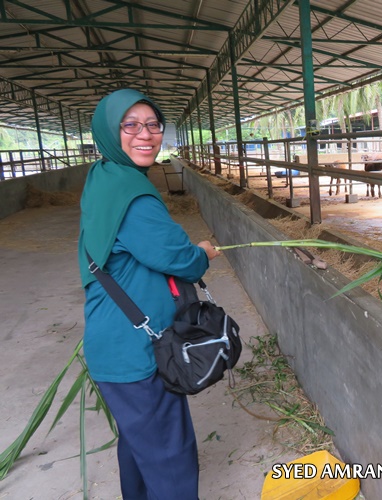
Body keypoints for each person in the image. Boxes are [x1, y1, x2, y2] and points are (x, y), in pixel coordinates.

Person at [77, 88, 220, 499]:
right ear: (109, 131)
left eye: (153, 124)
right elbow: (178, 258)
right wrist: (202, 253)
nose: (145, 134)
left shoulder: (106, 176)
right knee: (170, 459)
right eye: (131, 125)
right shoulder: (133, 194)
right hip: (137, 350)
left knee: (141, 448)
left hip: (116, 343)